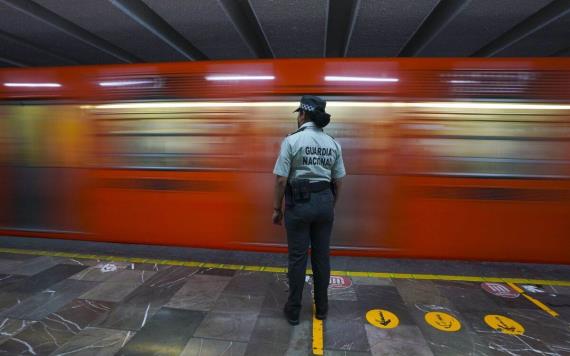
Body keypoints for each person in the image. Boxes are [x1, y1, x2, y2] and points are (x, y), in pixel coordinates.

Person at [272, 95, 346, 325]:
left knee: (297, 259)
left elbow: (281, 180)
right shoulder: (333, 143)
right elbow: (339, 180)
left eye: (299, 113)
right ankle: (322, 309)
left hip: (299, 204)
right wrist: (330, 205)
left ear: (303, 114)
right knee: (322, 258)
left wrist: (277, 208)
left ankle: (293, 311)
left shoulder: (292, 141)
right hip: (325, 203)